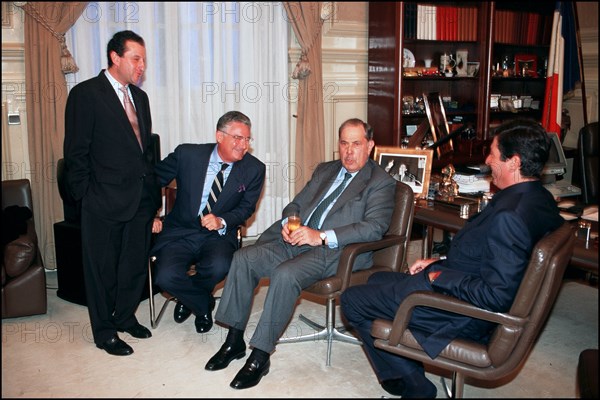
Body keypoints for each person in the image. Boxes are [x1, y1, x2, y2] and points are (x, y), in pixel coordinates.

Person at [340, 119, 564, 398]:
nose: (487, 160)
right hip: (459, 284)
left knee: (352, 299)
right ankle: (400, 372)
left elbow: (497, 296)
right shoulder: (538, 199)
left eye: (493, 154)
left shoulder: (510, 217)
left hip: (458, 310)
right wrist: (439, 261)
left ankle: (415, 386)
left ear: (513, 162)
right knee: (376, 278)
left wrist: (440, 275)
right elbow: (491, 256)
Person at [204, 118, 396, 389]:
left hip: (336, 250)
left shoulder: (380, 182)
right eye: (344, 143)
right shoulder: (326, 170)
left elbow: (374, 228)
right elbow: (296, 203)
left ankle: (260, 355)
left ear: (370, 146)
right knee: (243, 258)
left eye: (356, 144)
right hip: (296, 239)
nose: (349, 151)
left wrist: (320, 236)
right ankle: (234, 341)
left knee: (285, 275)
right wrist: (288, 223)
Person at [64, 30, 162, 356]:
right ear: (115, 57)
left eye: (144, 59)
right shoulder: (86, 94)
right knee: (102, 271)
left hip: (139, 200)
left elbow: (143, 152)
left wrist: (153, 202)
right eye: (136, 58)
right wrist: (85, 198)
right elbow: (76, 154)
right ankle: (104, 331)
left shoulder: (141, 98)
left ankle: (124, 316)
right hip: (101, 201)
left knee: (132, 267)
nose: (141, 65)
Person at [150, 111, 266, 333]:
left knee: (219, 266)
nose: (243, 145)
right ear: (219, 136)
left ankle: (187, 299)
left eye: (247, 139)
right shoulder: (187, 154)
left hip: (218, 235)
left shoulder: (254, 168)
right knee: (164, 277)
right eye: (237, 138)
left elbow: (246, 208)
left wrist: (222, 220)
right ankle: (202, 304)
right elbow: (152, 181)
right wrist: (150, 215)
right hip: (180, 230)